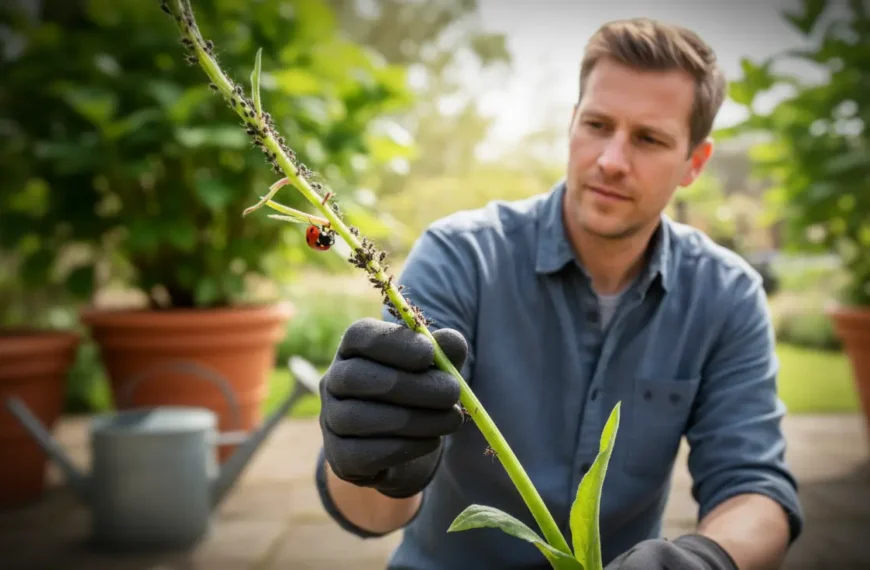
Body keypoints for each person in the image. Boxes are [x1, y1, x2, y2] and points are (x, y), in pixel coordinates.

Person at [313, 16, 803, 570]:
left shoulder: (726, 295)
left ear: (694, 161)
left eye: (648, 138)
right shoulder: (461, 257)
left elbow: (756, 492)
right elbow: (374, 512)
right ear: (572, 123)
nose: (611, 160)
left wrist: (702, 560)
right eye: (597, 124)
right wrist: (370, 453)